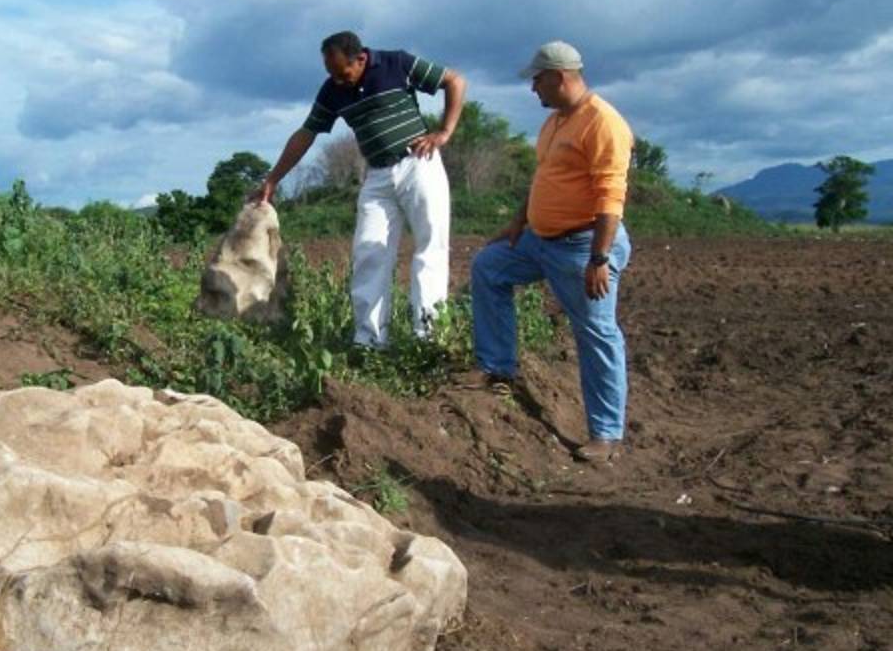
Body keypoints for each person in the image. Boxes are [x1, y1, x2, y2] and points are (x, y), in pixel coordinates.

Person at [470, 40, 633, 462]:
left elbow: (610, 197)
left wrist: (599, 259)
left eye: (537, 80)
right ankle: (498, 369)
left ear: (560, 78)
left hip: (583, 246)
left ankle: (606, 435)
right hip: (540, 240)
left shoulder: (602, 123)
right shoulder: (556, 122)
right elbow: (544, 178)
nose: (533, 88)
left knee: (596, 333)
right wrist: (518, 222)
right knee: (489, 267)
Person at [254, 30, 466, 348]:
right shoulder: (333, 90)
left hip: (418, 163)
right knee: (369, 252)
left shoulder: (397, 62)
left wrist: (444, 132)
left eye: (343, 73)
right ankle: (369, 342)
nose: (339, 80)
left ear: (361, 58)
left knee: (430, 247)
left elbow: (454, 81)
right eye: (331, 74)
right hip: (377, 176)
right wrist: (272, 179)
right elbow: (306, 133)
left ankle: (430, 340)